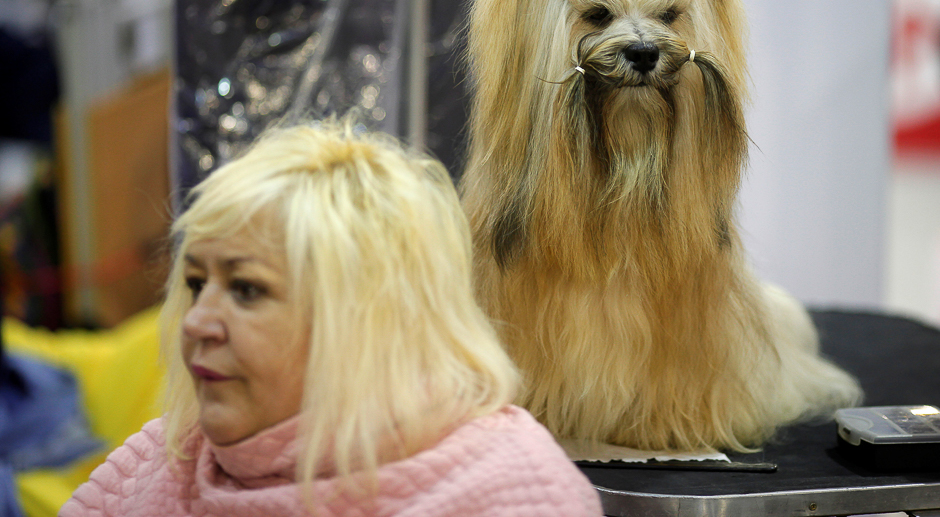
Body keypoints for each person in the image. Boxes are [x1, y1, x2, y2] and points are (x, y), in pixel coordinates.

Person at [60, 120, 603, 516]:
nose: (197, 322)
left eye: (247, 289)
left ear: (368, 313)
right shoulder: (157, 462)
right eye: (197, 284)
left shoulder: (508, 494)